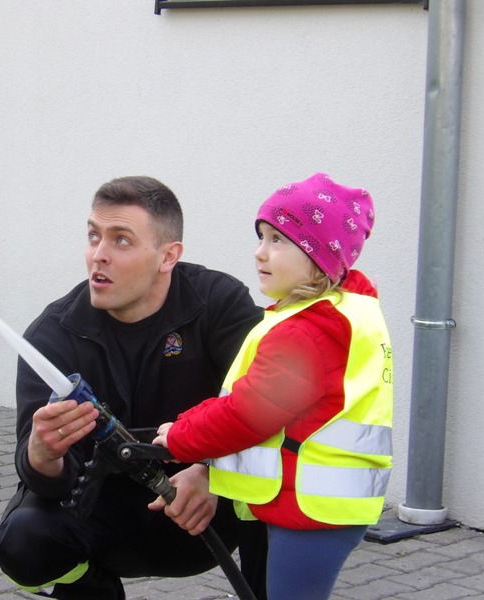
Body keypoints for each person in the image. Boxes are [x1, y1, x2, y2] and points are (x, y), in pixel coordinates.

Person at [0, 175, 269, 599]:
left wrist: (215, 472)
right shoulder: (52, 336)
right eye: (93, 236)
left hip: (205, 511)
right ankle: (93, 589)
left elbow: (272, 407)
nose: (98, 255)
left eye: (121, 240)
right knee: (23, 542)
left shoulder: (218, 304)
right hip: (102, 517)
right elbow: (45, 482)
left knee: (279, 485)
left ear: (168, 256)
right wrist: (42, 455)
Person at [153, 172, 393, 600]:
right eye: (261, 236)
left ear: (320, 257)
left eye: (278, 240)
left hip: (310, 511)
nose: (260, 252)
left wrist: (180, 437)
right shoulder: (334, 313)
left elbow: (250, 413)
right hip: (311, 505)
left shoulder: (309, 332)